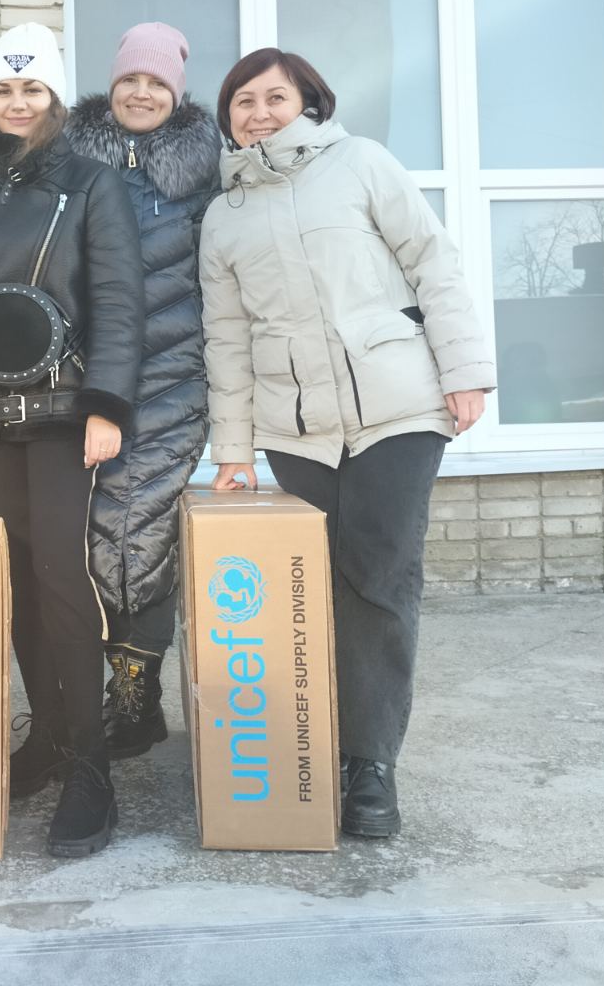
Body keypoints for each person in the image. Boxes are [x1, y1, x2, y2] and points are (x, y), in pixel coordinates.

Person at [199, 48, 495, 838]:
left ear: (309, 102)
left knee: (380, 576)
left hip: (398, 407)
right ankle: (316, 745)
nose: (259, 113)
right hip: (296, 426)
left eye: (275, 97)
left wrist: (465, 370)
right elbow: (227, 339)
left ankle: (371, 767)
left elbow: (433, 262)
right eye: (242, 102)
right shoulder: (224, 215)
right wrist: (234, 450)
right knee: (314, 588)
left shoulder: (362, 163)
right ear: (227, 118)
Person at [0, 23, 145, 858]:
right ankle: (46, 735)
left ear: (54, 98)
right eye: (5, 90)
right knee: (14, 575)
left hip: (63, 415)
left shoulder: (93, 185)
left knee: (59, 573)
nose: (18, 103)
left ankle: (90, 765)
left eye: (33, 89)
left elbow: (118, 299)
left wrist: (107, 403)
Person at [64, 22, 220, 759]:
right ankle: (100, 691)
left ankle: (135, 695)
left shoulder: (205, 174)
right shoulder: (71, 162)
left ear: (176, 95)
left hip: (173, 382)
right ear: (112, 84)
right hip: (87, 382)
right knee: (88, 538)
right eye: (131, 79)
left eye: (157, 83)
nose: (142, 92)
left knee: (145, 535)